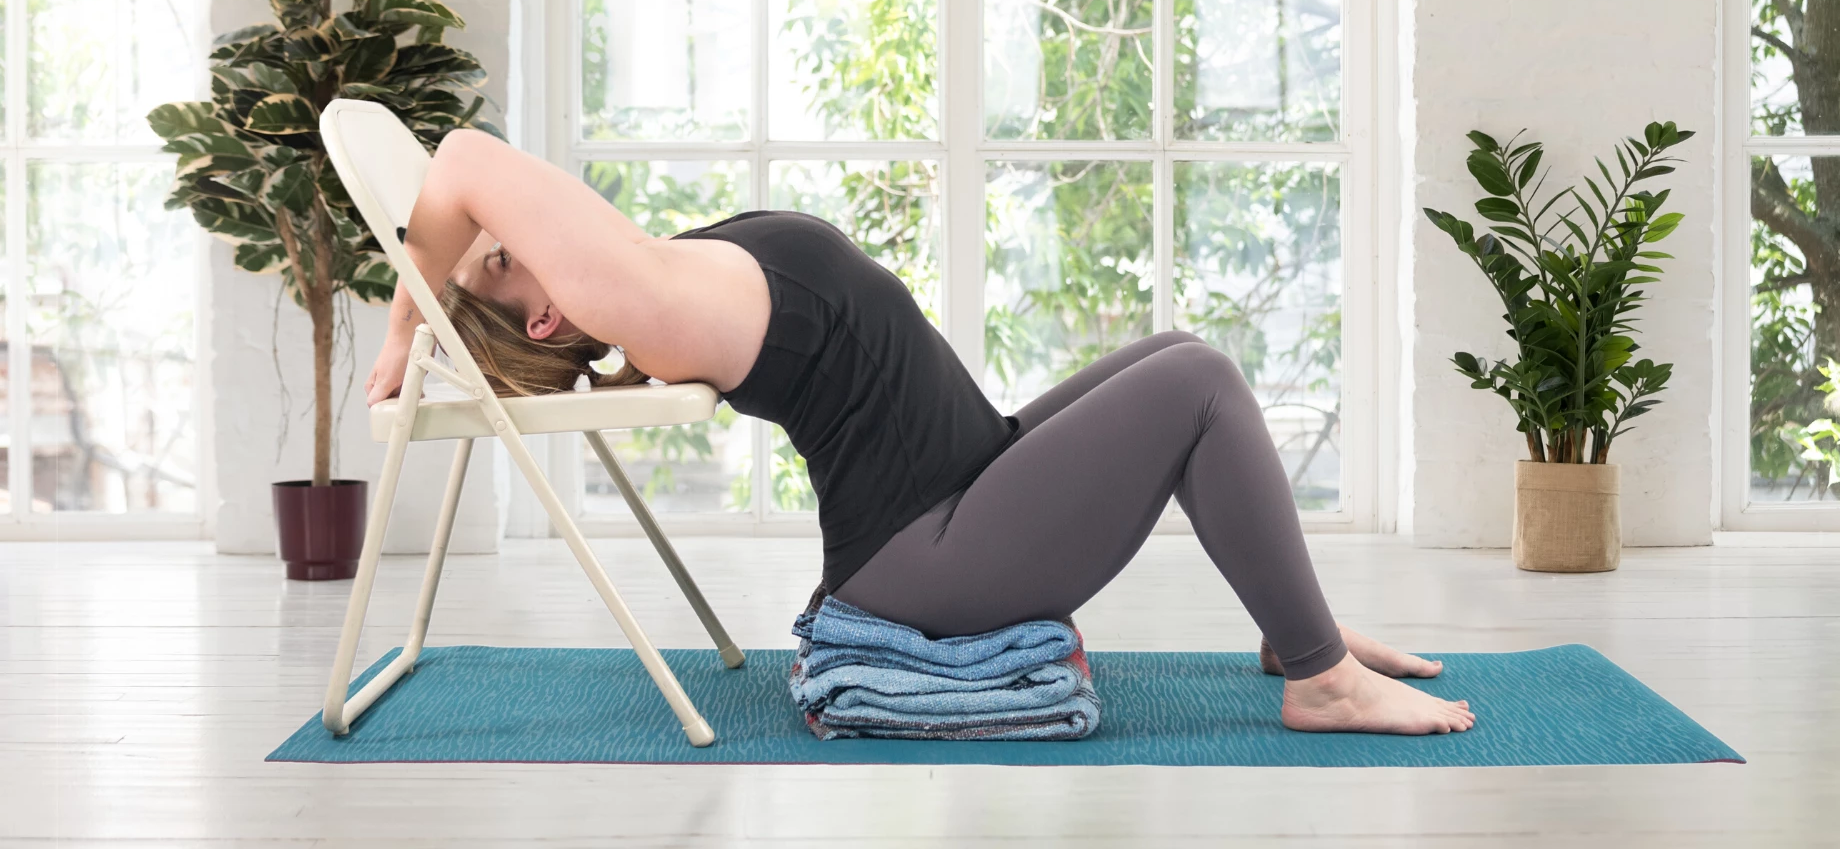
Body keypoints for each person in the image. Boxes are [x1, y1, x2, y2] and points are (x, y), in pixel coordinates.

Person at [366, 129, 1476, 736]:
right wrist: (396, 344)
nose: (514, 222)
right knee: (1201, 383)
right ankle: (1322, 682)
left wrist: (436, 300)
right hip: (926, 554)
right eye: (501, 253)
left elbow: (475, 176)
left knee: (1178, 350)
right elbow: (462, 161)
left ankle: (1295, 629)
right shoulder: (631, 300)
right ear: (552, 312)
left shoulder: (644, 274)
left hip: (965, 485)